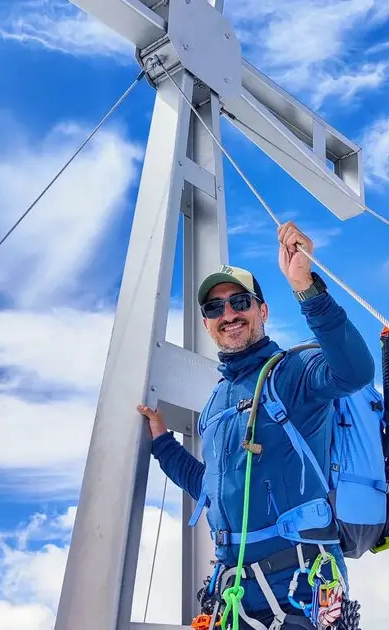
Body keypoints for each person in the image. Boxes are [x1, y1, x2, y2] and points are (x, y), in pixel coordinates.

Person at [137, 220, 375, 629]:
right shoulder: (215, 404)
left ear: (261, 311)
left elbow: (354, 372)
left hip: (303, 585)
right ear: (208, 323)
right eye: (214, 308)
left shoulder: (294, 372)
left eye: (239, 302)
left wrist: (306, 288)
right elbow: (208, 486)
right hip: (233, 594)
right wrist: (162, 442)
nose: (228, 314)